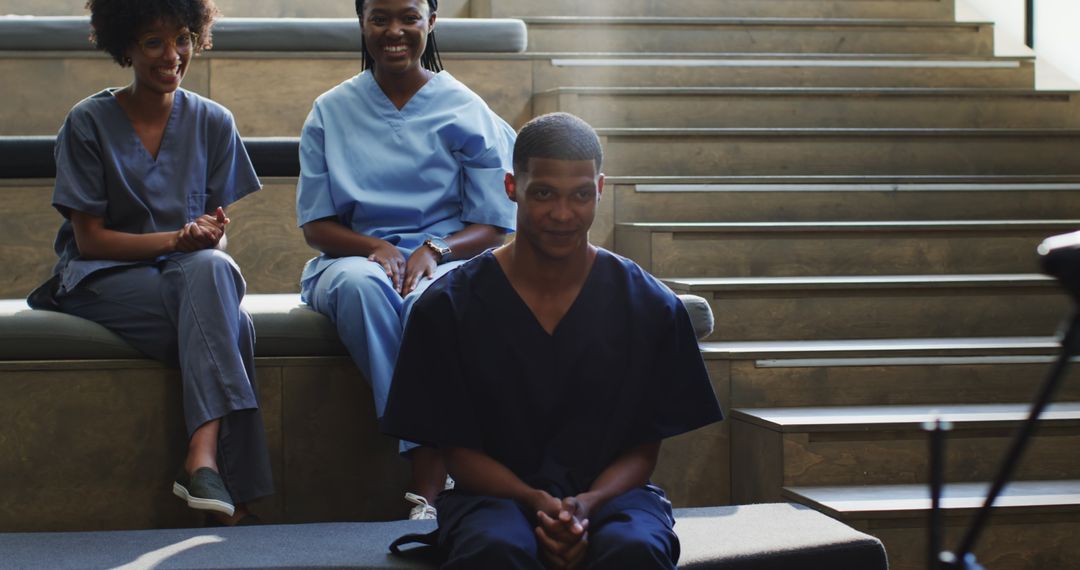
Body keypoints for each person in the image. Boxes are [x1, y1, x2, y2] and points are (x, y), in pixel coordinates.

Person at [381, 112, 724, 568]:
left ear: (600, 189)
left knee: (634, 549)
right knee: (497, 550)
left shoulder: (647, 303)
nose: (563, 214)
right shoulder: (448, 306)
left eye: (580, 195)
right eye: (543, 193)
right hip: (493, 499)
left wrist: (588, 503)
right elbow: (457, 452)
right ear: (511, 188)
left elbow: (643, 448)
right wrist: (534, 500)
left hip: (616, 497)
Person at [26, 0, 272, 525]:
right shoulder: (87, 122)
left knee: (214, 277)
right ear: (126, 46)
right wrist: (177, 242)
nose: (172, 55)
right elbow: (90, 242)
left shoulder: (213, 122)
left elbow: (210, 243)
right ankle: (238, 495)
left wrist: (202, 240)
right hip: (101, 281)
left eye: (182, 37)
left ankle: (201, 459)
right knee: (232, 326)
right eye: (152, 42)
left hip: (185, 278)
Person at [295, 0, 516, 519]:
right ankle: (432, 463)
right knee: (362, 289)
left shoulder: (463, 106)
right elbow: (315, 226)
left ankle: (428, 492)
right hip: (350, 258)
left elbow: (494, 225)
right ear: (362, 23)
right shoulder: (330, 110)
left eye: (409, 17)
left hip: (445, 259)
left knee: (432, 303)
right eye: (379, 18)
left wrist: (435, 250)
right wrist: (374, 247)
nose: (394, 31)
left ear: (430, 22)